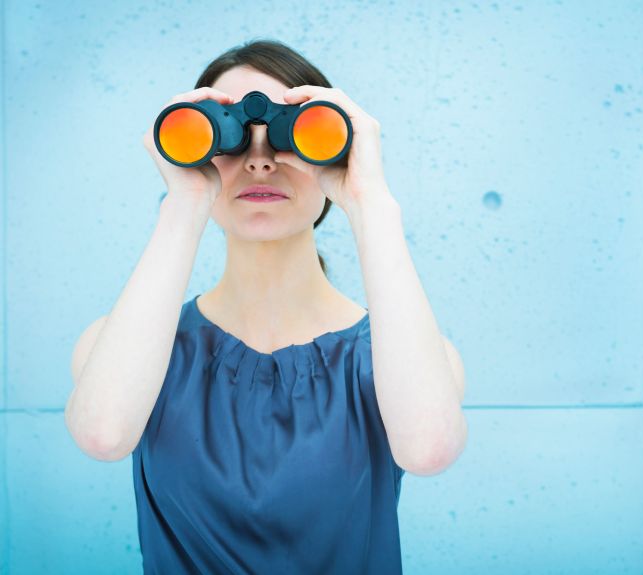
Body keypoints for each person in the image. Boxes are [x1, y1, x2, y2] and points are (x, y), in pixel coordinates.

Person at [65, 38, 467, 574]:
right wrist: (185, 201)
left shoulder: (403, 358)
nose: (259, 162)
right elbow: (103, 435)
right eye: (228, 138)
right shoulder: (126, 350)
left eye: (292, 134)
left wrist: (371, 202)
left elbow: (429, 450)